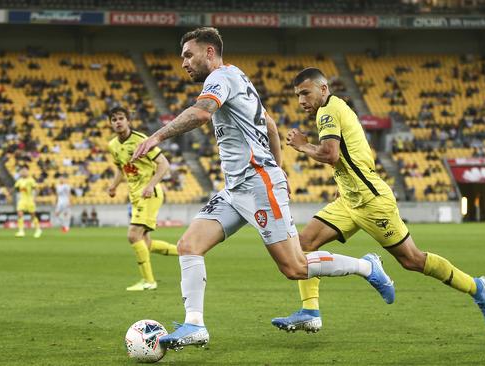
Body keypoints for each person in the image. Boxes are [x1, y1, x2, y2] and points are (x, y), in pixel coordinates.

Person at [132, 27, 394, 350]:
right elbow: (270, 124)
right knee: (188, 245)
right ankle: (194, 324)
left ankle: (368, 266)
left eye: (188, 54)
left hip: (257, 184)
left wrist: (156, 137)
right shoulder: (238, 77)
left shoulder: (220, 79)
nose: (183, 62)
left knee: (295, 266)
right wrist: (282, 168)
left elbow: (201, 113)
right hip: (235, 189)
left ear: (210, 52)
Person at [271, 68, 485, 332]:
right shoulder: (337, 109)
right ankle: (311, 310)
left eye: (305, 93)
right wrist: (343, 184)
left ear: (323, 89)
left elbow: (331, 154)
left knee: (412, 260)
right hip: (349, 199)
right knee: (303, 244)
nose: (301, 101)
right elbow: (357, 154)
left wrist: (303, 145)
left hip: (372, 202)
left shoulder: (329, 111)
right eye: (298, 95)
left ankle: (476, 286)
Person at [106, 106, 179, 291]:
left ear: (128, 120)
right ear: (110, 123)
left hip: (149, 193)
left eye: (121, 118)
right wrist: (114, 185)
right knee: (145, 242)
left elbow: (164, 164)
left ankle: (149, 281)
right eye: (113, 119)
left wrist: (151, 184)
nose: (118, 122)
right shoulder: (112, 145)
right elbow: (121, 168)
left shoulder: (142, 140)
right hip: (135, 195)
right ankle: (186, 251)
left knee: (133, 235)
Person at [14, 165, 42, 238]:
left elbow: (37, 189)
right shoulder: (19, 181)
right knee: (20, 213)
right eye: (22, 171)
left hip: (29, 199)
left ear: (27, 172)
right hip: (22, 200)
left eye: (25, 171)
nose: (23, 172)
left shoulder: (31, 180)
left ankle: (38, 229)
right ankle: (21, 231)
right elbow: (15, 188)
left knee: (32, 215)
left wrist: (35, 197)